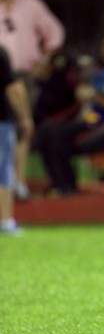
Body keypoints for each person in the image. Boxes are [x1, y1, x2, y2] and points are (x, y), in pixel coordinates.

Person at [34, 32, 104, 195]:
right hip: (87, 118)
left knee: (58, 135)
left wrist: (93, 95)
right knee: (45, 131)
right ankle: (59, 183)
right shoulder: (98, 70)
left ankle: (66, 187)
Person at [0, 0, 65, 199]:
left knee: (21, 126)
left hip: (23, 75)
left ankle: (17, 182)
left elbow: (55, 33)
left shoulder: (30, 4)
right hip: (1, 74)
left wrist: (44, 61)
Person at [0, 46, 33, 234]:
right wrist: (24, 117)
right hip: (2, 120)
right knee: (4, 169)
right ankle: (5, 220)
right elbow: (13, 88)